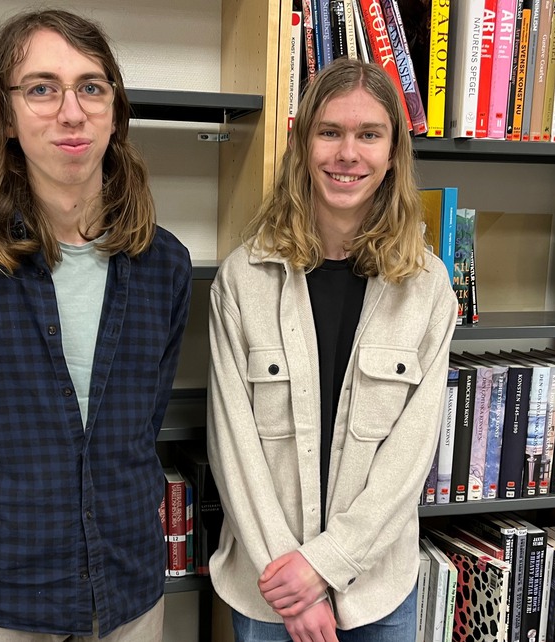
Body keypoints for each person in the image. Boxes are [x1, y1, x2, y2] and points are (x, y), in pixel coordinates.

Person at [0, 9, 191, 641]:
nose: (71, 112)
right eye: (42, 88)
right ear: (7, 116)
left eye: (91, 87)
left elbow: (144, 421)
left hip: (128, 586)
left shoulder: (165, 266)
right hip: (3, 585)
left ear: (115, 111)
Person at [207, 58, 456, 642]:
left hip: (375, 589)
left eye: (369, 135)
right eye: (330, 132)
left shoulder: (427, 287)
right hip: (270, 588)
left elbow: (411, 453)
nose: (348, 154)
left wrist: (326, 564)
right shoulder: (243, 280)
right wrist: (294, 587)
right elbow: (232, 447)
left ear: (392, 153)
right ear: (302, 144)